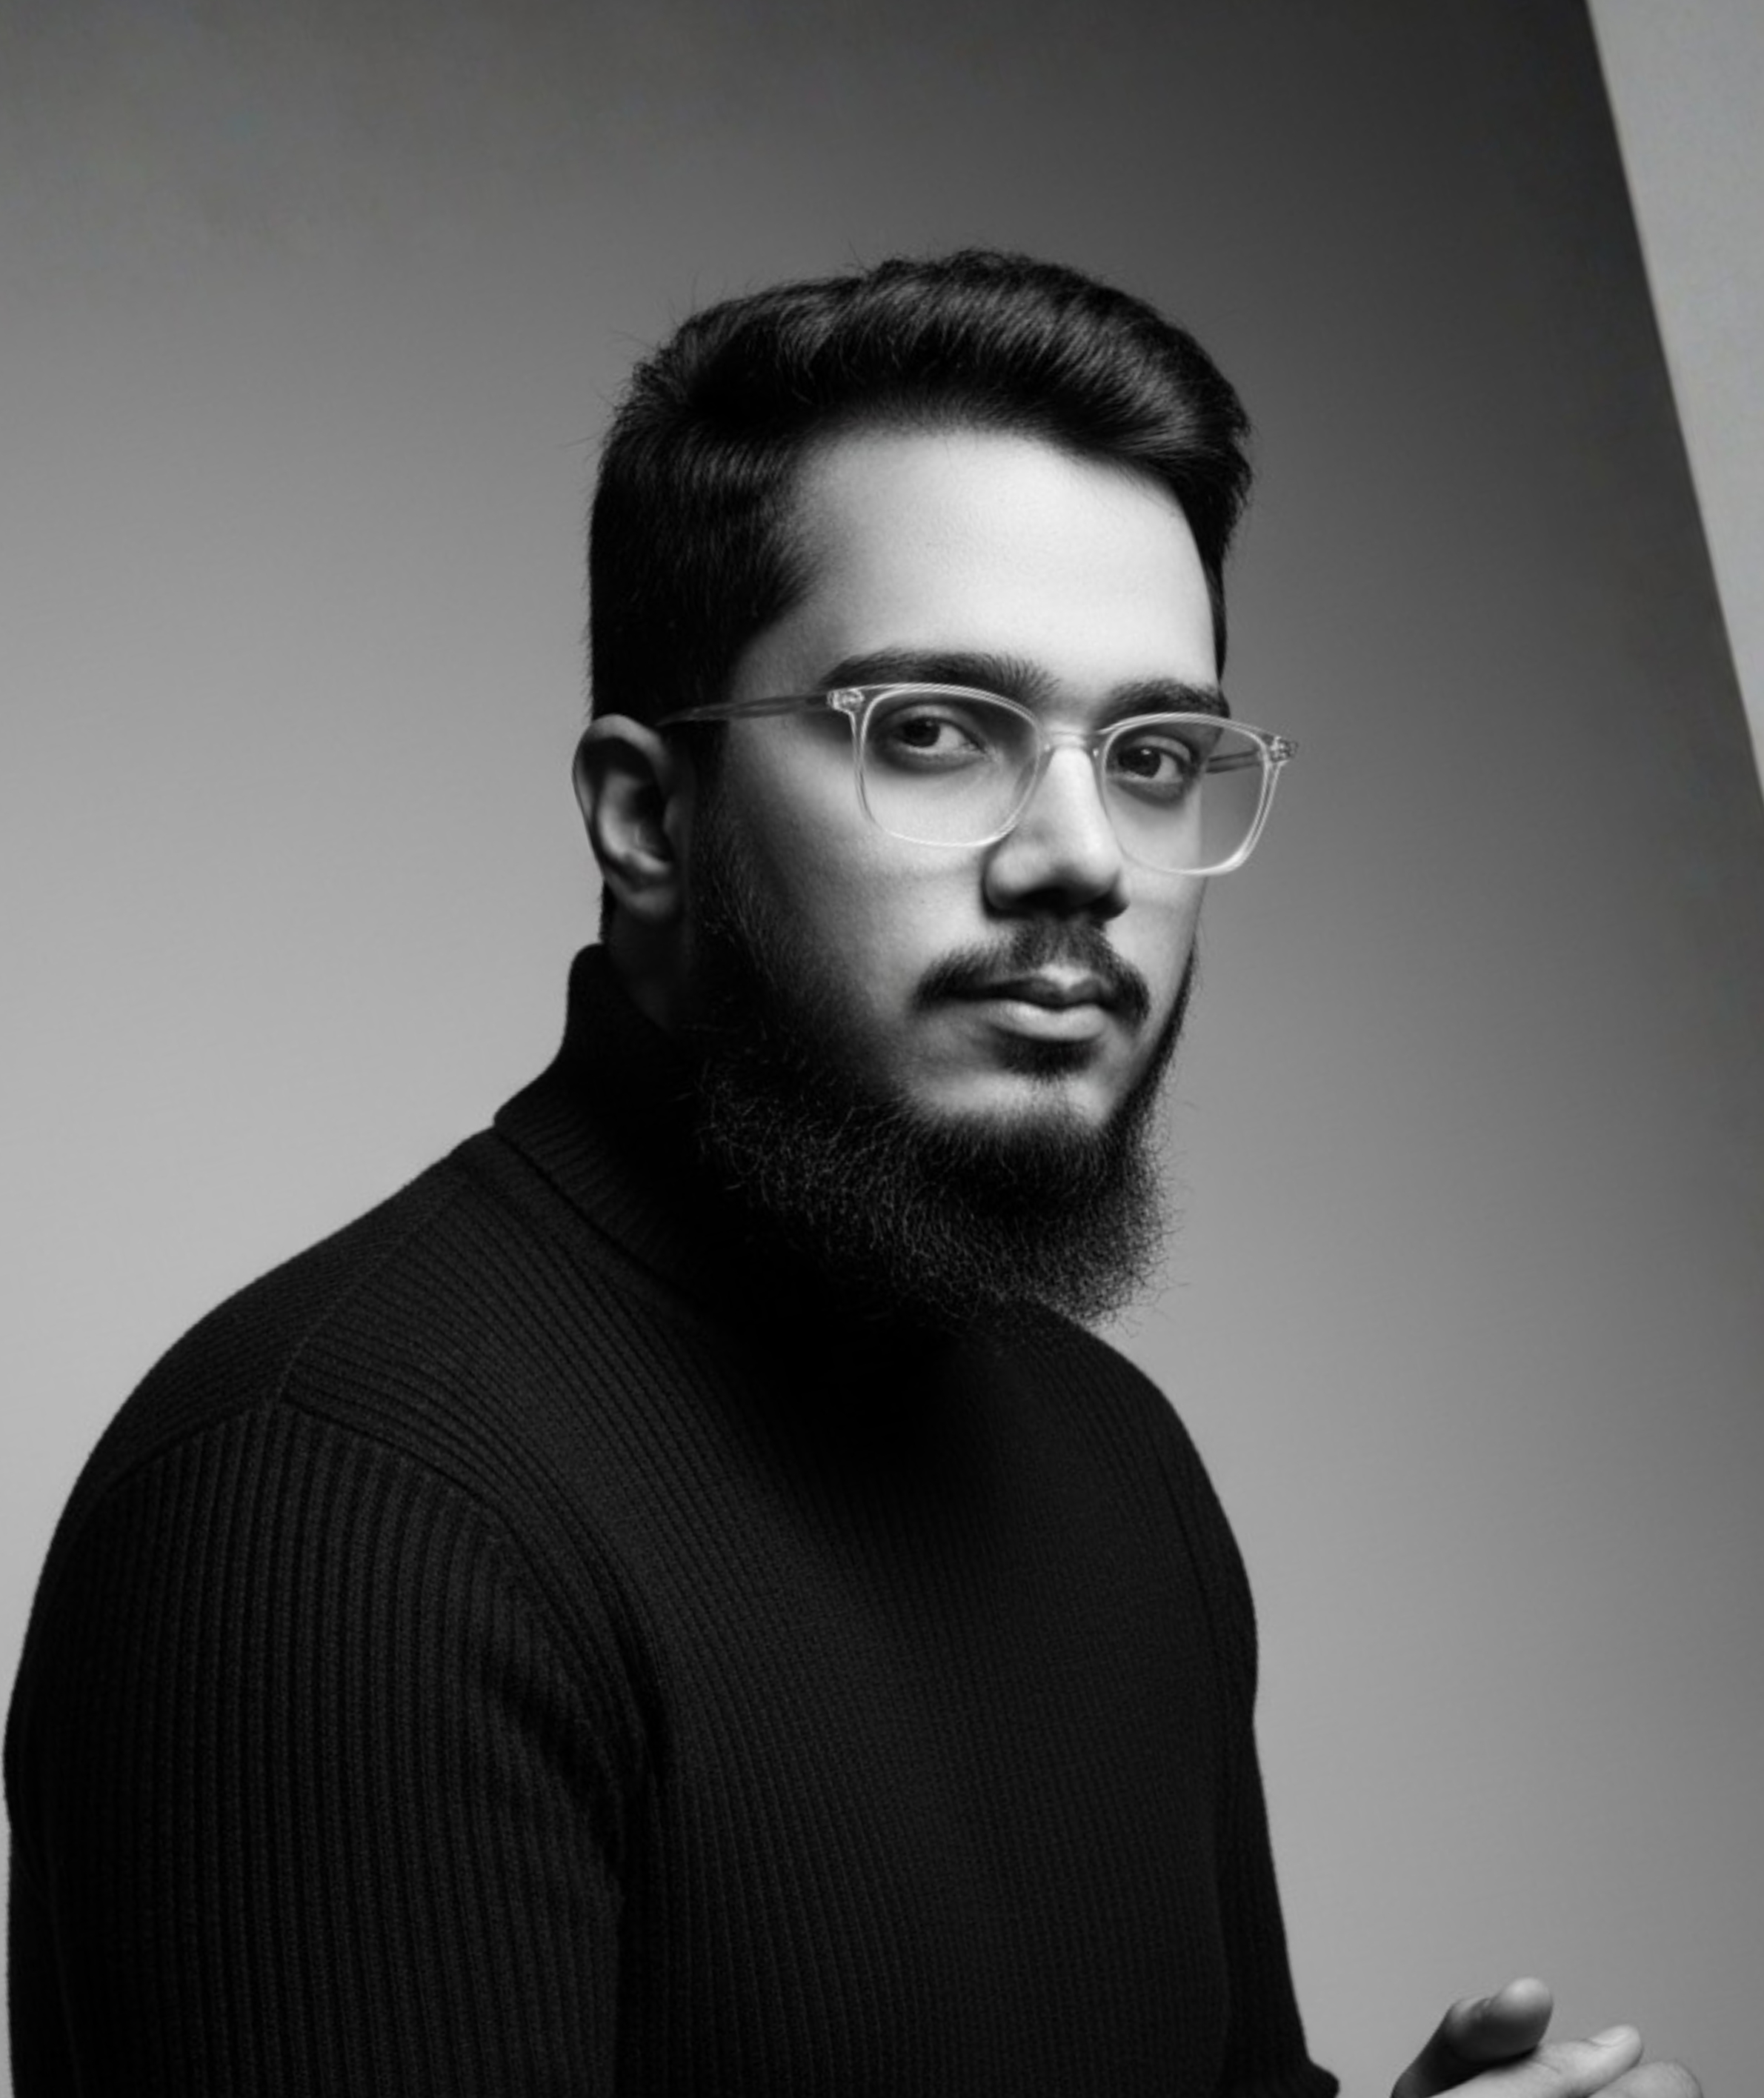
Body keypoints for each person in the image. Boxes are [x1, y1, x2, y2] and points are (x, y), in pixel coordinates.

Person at [5, 250, 1697, 2097]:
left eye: (1153, 755)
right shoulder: (332, 1509)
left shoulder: (1115, 1458)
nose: (1084, 859)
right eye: (936, 731)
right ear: (649, 817)